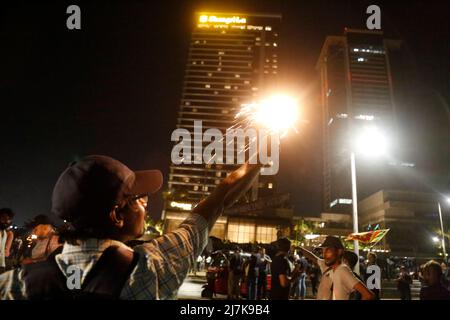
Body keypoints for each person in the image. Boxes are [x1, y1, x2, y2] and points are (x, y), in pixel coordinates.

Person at [0, 155, 260, 299]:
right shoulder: (149, 267)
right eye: (138, 198)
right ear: (117, 215)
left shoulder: (14, 284)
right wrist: (258, 157)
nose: (146, 202)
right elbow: (215, 204)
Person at [298, 236, 375, 300]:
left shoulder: (342, 270)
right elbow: (313, 258)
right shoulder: (327, 267)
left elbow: (368, 295)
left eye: (328, 251)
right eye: (323, 251)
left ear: (339, 252)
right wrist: (300, 249)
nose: (324, 255)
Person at [0, 208, 15, 274]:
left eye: (9, 219)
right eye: (3, 218)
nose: (6, 221)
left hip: (1, 264)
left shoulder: (5, 233)